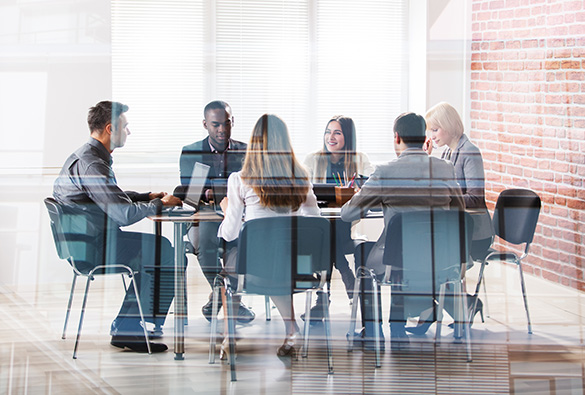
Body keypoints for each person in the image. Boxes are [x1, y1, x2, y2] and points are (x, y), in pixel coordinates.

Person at [53, 101, 182, 353]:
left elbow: (108, 197)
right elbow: (122, 215)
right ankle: (133, 330)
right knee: (167, 253)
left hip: (89, 242)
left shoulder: (88, 157)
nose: (129, 131)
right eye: (126, 126)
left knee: (159, 251)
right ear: (111, 129)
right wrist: (159, 203)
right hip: (94, 248)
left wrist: (145, 196)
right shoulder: (92, 164)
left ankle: (132, 325)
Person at [340, 112, 464, 350]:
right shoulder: (445, 168)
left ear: (397, 137)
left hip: (398, 259)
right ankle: (407, 320)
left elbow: (348, 214)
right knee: (403, 249)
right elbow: (457, 212)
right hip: (439, 258)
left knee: (365, 251)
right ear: (424, 137)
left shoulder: (385, 171)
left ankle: (373, 331)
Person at [218, 114, 320, 357]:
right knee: (277, 259)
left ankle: (228, 337)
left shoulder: (240, 179)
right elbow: (315, 221)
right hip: (294, 268)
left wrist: (227, 210)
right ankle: (291, 330)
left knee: (228, 267)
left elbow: (230, 232)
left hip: (254, 270)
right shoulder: (301, 176)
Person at [179, 100, 255, 324]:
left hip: (239, 214)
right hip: (205, 215)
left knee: (240, 244)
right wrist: (219, 192)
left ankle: (221, 299)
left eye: (227, 124)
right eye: (216, 125)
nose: (222, 130)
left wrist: (214, 190)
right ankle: (230, 299)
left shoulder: (246, 151)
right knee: (205, 242)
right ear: (205, 124)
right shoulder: (191, 152)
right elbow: (191, 193)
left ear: (233, 122)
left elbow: (252, 186)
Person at [303, 116, 374, 321]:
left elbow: (371, 182)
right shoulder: (312, 159)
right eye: (328, 131)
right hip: (320, 222)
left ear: (348, 136)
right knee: (326, 230)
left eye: (337, 132)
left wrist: (361, 185)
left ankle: (322, 300)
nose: (330, 137)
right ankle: (344, 271)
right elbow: (302, 187)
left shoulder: (360, 159)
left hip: (345, 223)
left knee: (330, 233)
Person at [425, 102, 493, 260]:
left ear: (448, 126)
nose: (432, 136)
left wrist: (443, 200)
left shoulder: (470, 152)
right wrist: (425, 158)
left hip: (474, 234)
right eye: (431, 131)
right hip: (455, 228)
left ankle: (447, 283)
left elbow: (476, 199)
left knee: (427, 245)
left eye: (435, 130)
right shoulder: (448, 152)